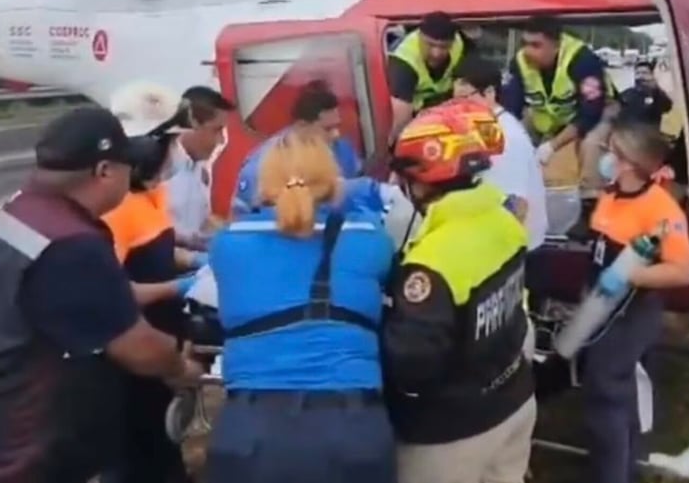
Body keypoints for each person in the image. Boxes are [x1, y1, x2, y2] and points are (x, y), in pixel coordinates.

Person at [0, 107, 203, 483]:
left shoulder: (20, 215)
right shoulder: (72, 245)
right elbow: (138, 347)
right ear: (105, 171)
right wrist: (181, 367)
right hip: (6, 453)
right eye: (128, 166)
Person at [205, 130, 397, 483]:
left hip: (251, 432)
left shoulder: (228, 244)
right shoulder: (371, 238)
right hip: (352, 429)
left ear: (262, 182)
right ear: (334, 179)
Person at [382, 99, 535, 483]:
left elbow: (411, 364)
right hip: (513, 401)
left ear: (422, 178)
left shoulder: (432, 262)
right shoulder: (505, 220)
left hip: (451, 433)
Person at [578, 116, 689, 483]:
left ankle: (612, 474)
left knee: (607, 394)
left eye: (610, 151)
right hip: (600, 307)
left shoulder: (661, 210)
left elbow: (680, 270)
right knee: (610, 391)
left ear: (629, 161)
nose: (603, 156)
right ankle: (618, 465)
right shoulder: (613, 194)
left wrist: (630, 276)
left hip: (628, 313)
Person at [101, 83, 204, 483]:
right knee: (133, 455)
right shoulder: (115, 210)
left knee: (163, 446)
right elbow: (112, 294)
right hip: (130, 358)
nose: (176, 153)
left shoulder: (150, 195)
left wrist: (195, 258)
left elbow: (156, 246)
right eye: (171, 142)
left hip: (158, 347)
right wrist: (179, 287)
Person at [501, 15, 618, 198]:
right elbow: (511, 108)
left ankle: (592, 199)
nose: (528, 51)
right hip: (550, 113)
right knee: (511, 137)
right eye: (525, 43)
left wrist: (552, 146)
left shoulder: (583, 59)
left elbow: (590, 114)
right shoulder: (519, 62)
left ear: (556, 45)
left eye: (536, 45)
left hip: (598, 110)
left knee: (591, 144)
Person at [453, 57, 549, 251]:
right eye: (454, 99)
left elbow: (516, 207)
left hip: (514, 247)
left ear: (489, 93)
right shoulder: (486, 127)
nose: (457, 106)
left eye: (464, 98)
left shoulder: (505, 137)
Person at [231, 80, 362, 216]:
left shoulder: (343, 150)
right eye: (327, 129)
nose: (336, 134)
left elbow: (358, 197)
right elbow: (241, 218)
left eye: (337, 126)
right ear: (301, 126)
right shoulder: (263, 164)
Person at [166, 85, 235, 267]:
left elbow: (203, 221)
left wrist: (231, 236)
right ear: (192, 125)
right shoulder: (160, 171)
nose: (221, 141)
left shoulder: (200, 169)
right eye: (216, 130)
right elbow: (147, 239)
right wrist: (193, 260)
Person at [388, 11, 470, 137]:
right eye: (430, 45)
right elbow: (401, 114)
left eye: (444, 47)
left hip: (449, 112)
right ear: (419, 37)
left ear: (452, 42)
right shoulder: (405, 60)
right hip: (415, 119)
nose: (436, 53)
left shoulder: (459, 43)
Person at [619, 59, 673, 128]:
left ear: (653, 75)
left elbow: (667, 108)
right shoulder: (626, 95)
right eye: (637, 73)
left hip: (650, 136)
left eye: (645, 73)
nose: (640, 76)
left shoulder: (659, 96)